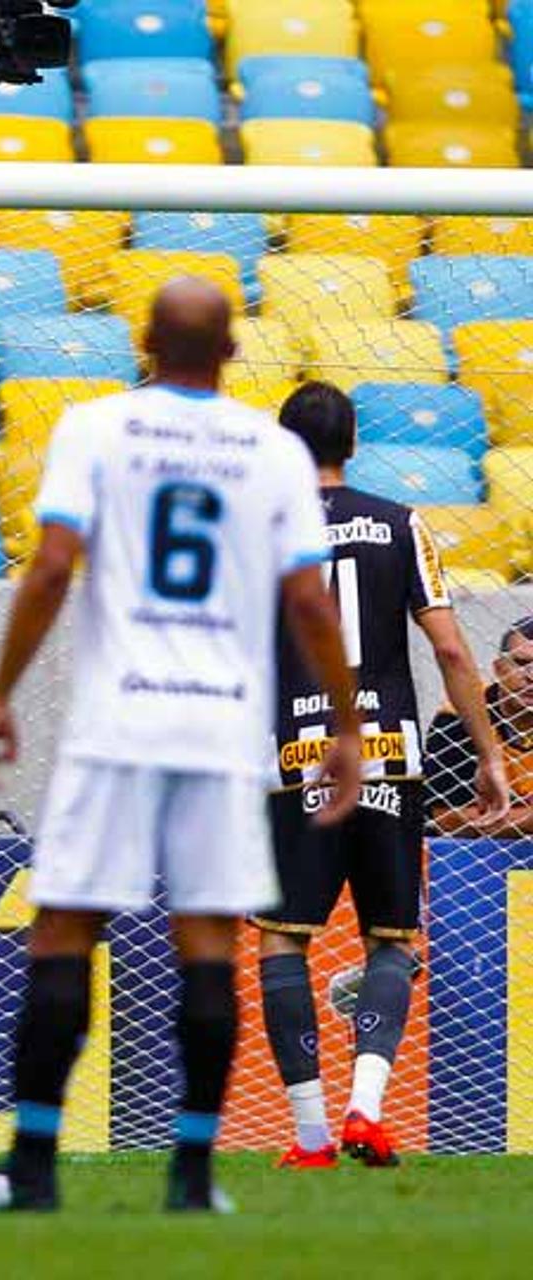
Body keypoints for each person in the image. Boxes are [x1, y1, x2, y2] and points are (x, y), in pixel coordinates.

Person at [0, 279, 362, 1215]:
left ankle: (32, 1170)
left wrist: (0, 692)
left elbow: (50, 566)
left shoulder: (96, 427)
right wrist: (344, 723)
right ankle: (194, 1178)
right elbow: (308, 601)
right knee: (207, 941)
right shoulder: (272, 451)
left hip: (117, 721)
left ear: (143, 343)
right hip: (223, 726)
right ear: (235, 353)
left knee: (65, 932)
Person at [256, 383, 509, 1170]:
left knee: (280, 941)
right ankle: (368, 1110)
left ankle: (309, 1137)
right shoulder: (404, 524)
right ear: (355, 444)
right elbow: (454, 651)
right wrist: (490, 751)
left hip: (299, 755)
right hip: (392, 757)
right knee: (391, 939)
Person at [425, 616, 533, 837]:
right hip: (470, 858)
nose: (531, 676)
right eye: (521, 663)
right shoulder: (459, 716)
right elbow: (446, 817)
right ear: (499, 669)